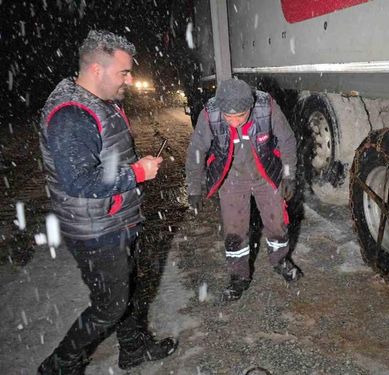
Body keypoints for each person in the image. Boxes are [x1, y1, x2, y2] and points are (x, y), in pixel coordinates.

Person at [37, 30, 178, 374]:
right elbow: (79, 181)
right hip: (95, 229)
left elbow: (107, 158)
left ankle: (133, 349)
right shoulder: (71, 114)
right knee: (109, 306)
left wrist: (133, 170)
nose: (129, 80)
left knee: (125, 292)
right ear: (97, 70)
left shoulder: (102, 102)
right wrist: (138, 173)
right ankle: (59, 366)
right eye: (124, 73)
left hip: (115, 220)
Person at [186, 78, 302, 303]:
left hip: (265, 174)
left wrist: (288, 176)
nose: (235, 122)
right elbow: (196, 151)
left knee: (277, 223)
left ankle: (280, 261)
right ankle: (238, 276)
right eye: (229, 117)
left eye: (240, 116)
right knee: (234, 231)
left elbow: (287, 140)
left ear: (250, 107)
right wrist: (195, 188)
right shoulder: (210, 114)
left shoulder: (266, 107)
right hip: (231, 179)